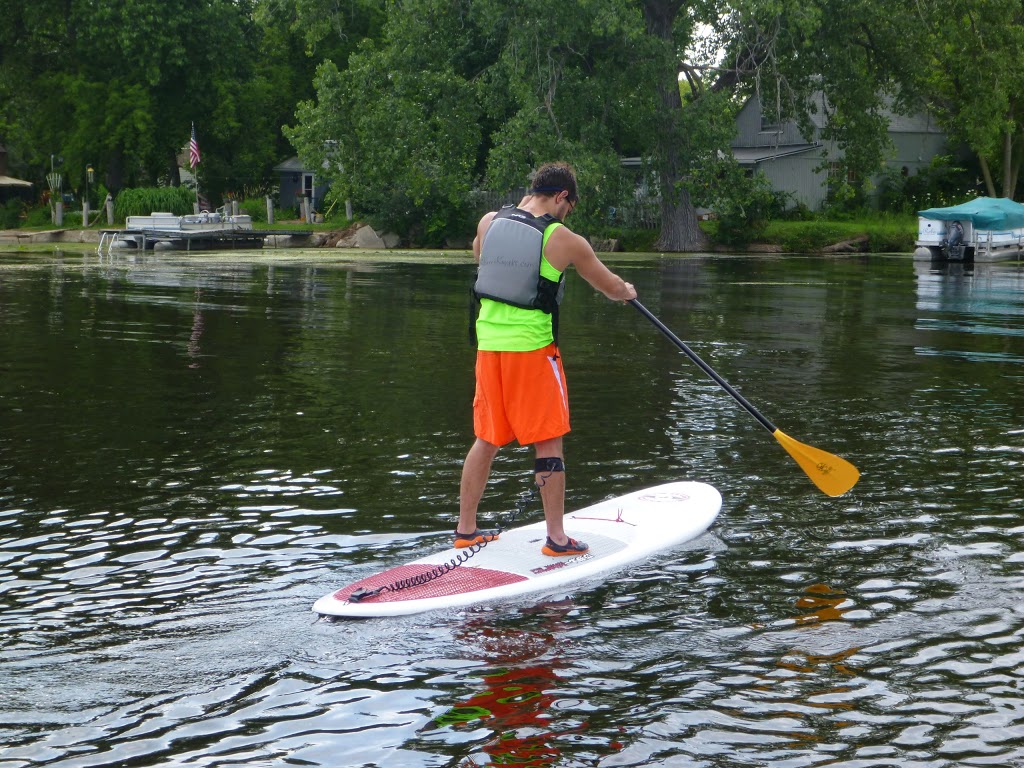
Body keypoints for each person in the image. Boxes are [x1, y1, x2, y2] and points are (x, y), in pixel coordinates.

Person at [456, 162, 637, 556]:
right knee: (548, 441)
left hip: (488, 347)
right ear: (560, 196)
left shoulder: (489, 222)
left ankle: (466, 530)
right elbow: (607, 285)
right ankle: (557, 539)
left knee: (486, 438)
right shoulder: (564, 239)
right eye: (569, 205)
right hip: (533, 352)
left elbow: (481, 260)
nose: (567, 213)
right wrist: (627, 292)